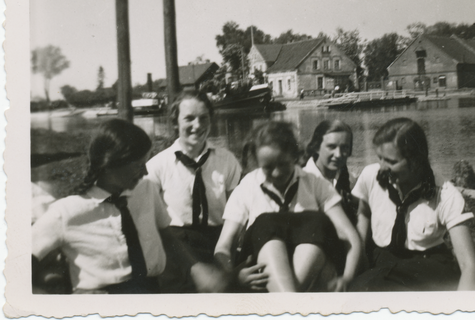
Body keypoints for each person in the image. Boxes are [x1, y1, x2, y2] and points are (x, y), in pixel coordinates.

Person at [32, 119, 223, 294]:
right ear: (109, 164)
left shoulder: (146, 189)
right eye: (138, 164)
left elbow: (166, 234)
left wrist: (197, 269)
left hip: (152, 293)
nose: (145, 171)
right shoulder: (65, 212)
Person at [214, 121, 362, 292]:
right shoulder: (247, 186)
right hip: (263, 273)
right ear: (257, 161)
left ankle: (287, 303)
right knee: (265, 224)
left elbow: (350, 236)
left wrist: (348, 277)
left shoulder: (315, 184)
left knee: (317, 222)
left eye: (283, 164)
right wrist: (234, 277)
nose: (276, 173)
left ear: (294, 156)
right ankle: (291, 304)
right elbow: (223, 246)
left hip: (310, 266)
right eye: (268, 167)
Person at [350, 118, 475, 292]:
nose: (382, 167)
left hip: (426, 267)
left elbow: (468, 264)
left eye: (391, 161)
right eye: (380, 158)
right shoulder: (371, 176)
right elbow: (364, 212)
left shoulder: (444, 194)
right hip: (382, 260)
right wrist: (361, 253)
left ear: (416, 161)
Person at [145, 90, 242, 292]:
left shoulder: (227, 160)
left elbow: (238, 210)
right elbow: (149, 218)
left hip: (219, 239)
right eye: (189, 118)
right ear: (175, 123)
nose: (197, 126)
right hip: (177, 242)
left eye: (203, 118)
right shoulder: (158, 166)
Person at [304, 120, 359, 225]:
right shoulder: (303, 181)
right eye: (331, 147)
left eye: (345, 147)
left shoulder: (351, 180)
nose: (338, 154)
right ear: (316, 147)